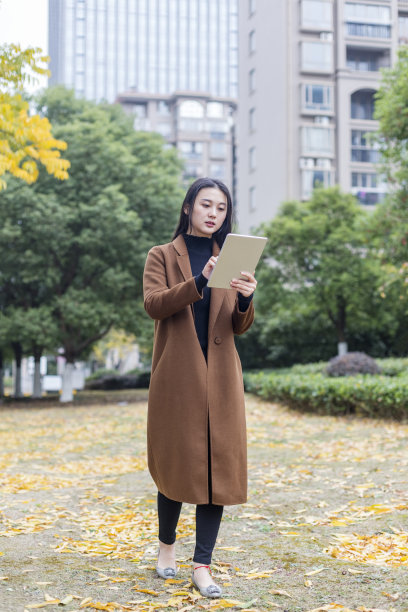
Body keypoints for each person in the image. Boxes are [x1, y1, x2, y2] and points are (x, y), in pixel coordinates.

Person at [143, 177, 257, 598]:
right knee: (177, 463)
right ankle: (166, 549)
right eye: (206, 204)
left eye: (222, 208)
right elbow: (153, 304)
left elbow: (236, 325)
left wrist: (245, 298)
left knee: (219, 468)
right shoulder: (161, 255)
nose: (213, 213)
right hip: (177, 378)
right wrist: (200, 282)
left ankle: (202, 565)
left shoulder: (229, 257)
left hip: (222, 377)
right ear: (189, 206)